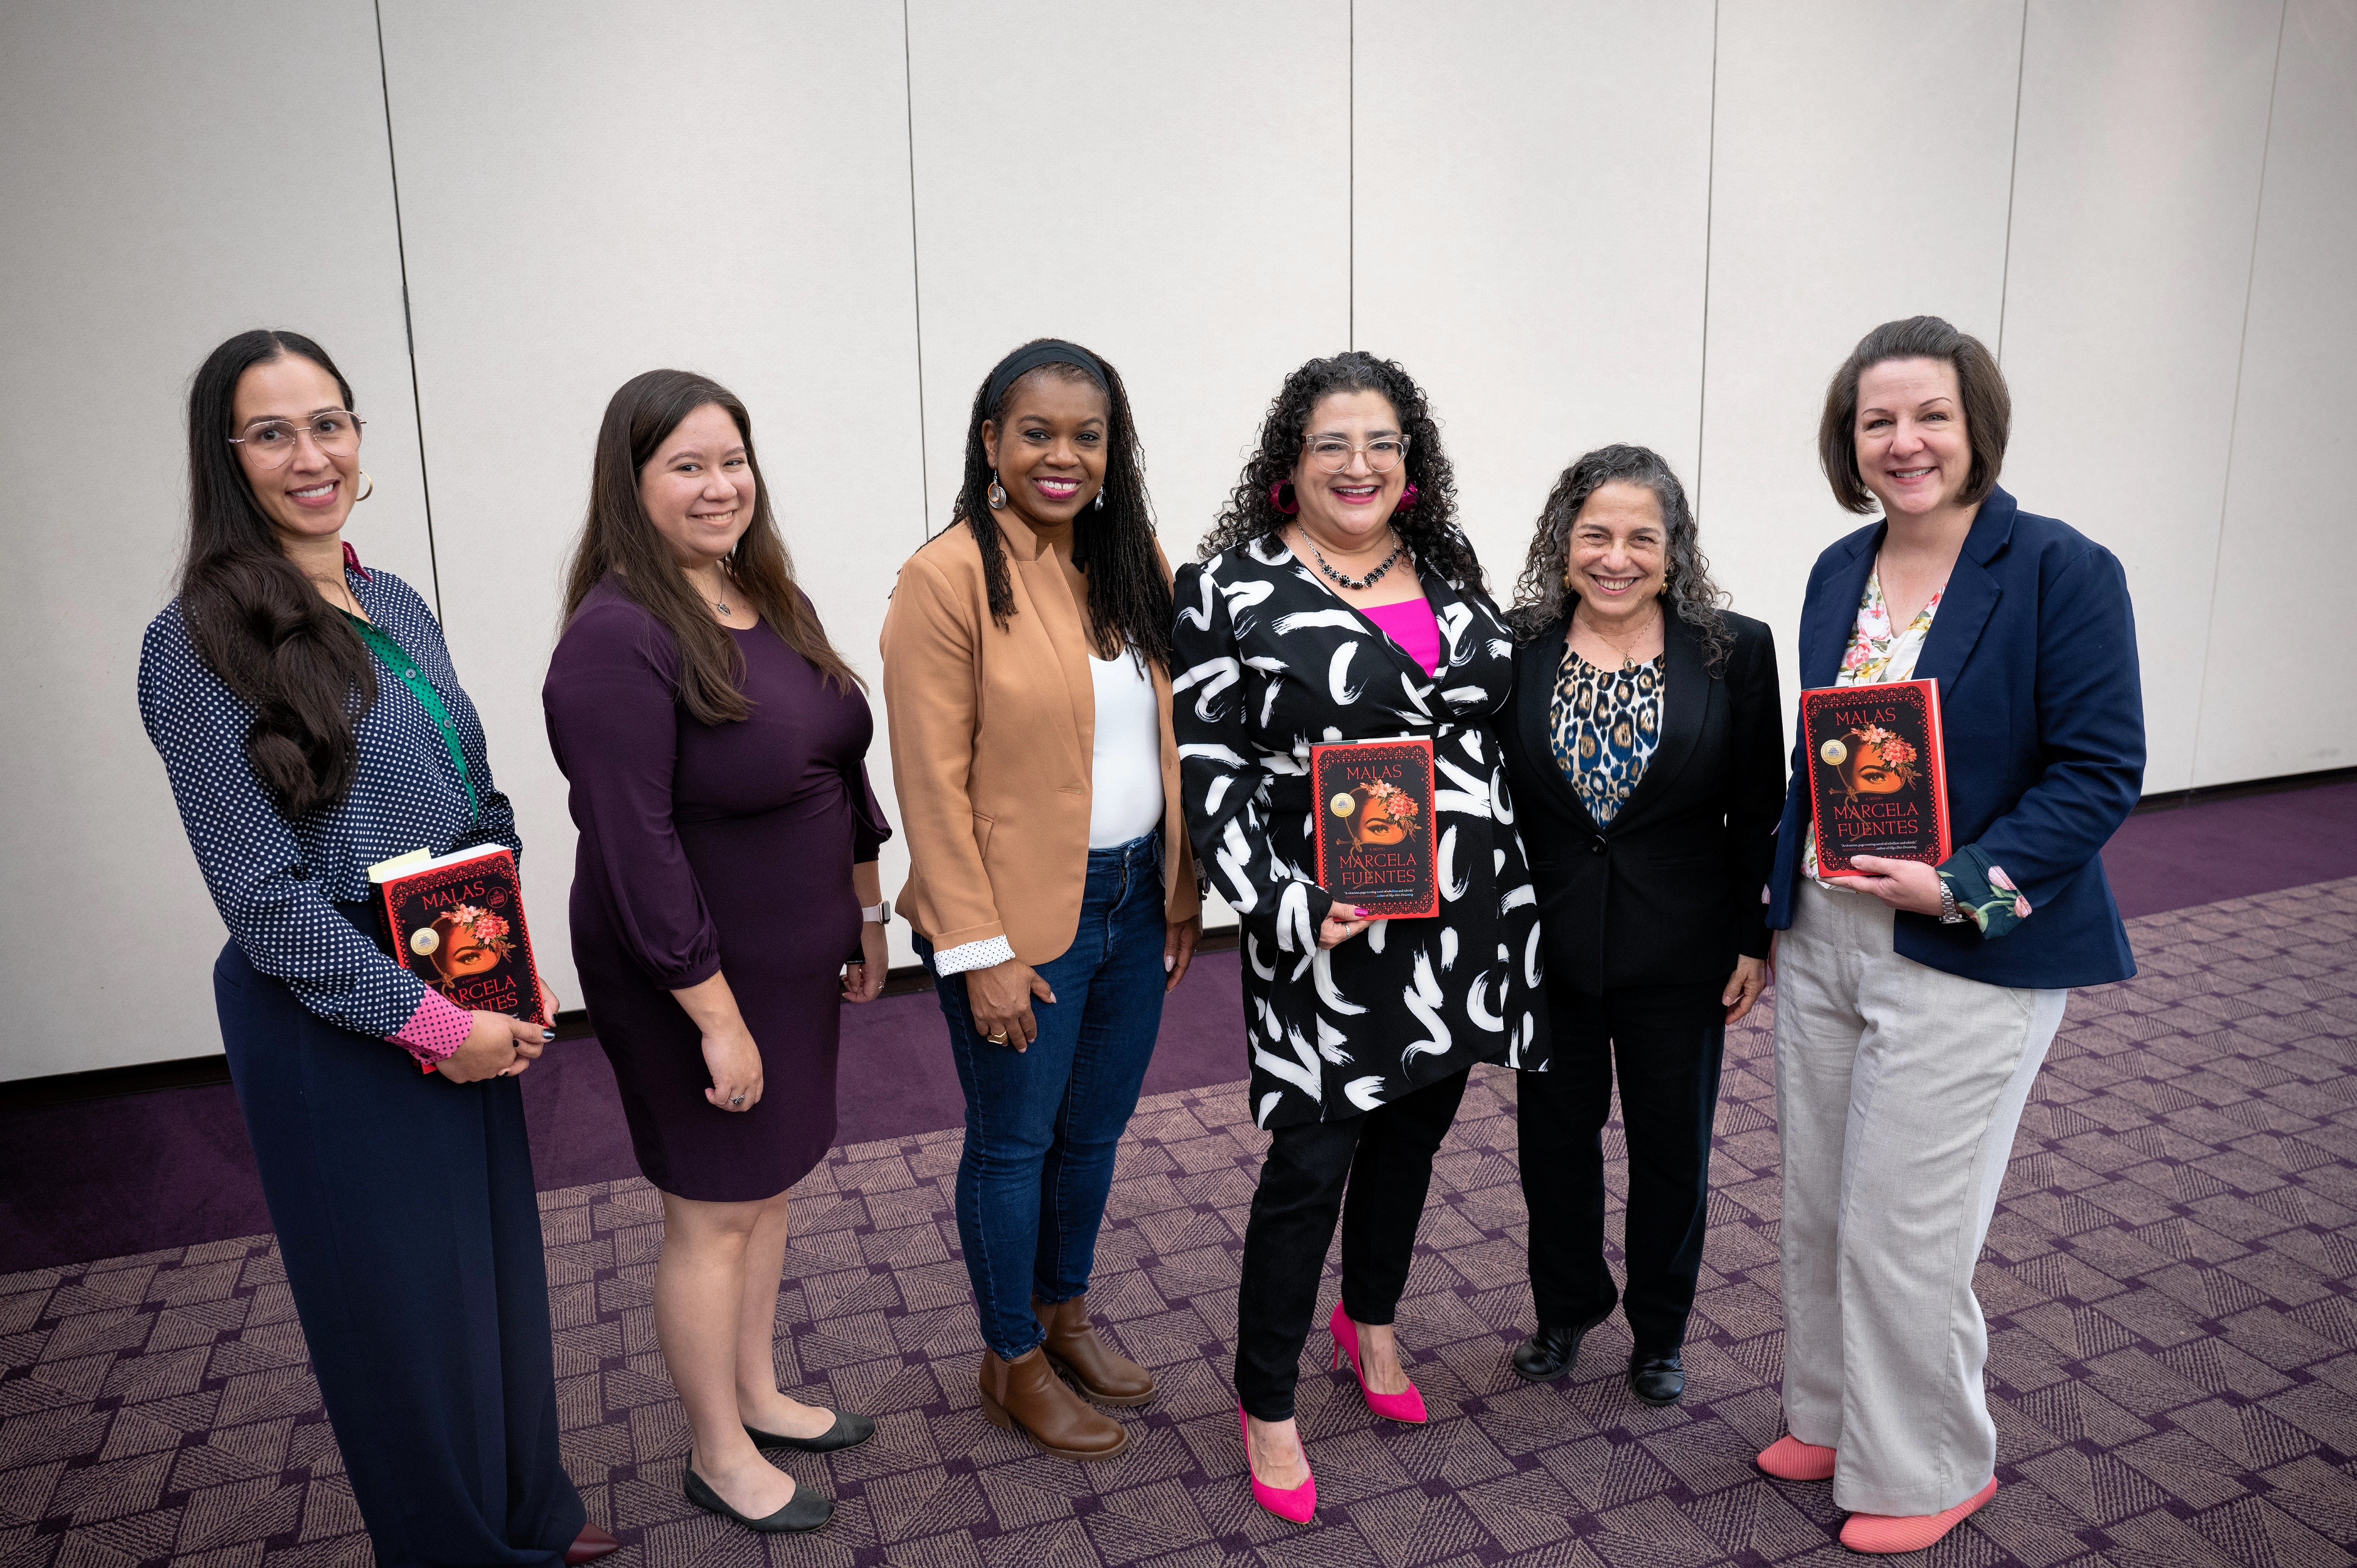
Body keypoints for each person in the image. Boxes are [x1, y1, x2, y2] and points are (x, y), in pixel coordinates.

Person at [138, 330, 613, 1568]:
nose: (314, 454)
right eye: (275, 431)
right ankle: (456, 1547)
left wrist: (500, 956)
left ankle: (526, 1507)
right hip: (334, 1005)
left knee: (492, 1274)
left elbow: (476, 786)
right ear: (226, 456)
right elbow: (265, 898)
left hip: (450, 952)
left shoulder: (390, 594)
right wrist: (438, 1023)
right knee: (400, 1313)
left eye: (331, 422)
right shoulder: (193, 644)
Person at [1758, 317, 2144, 1553]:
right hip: (1827, 927)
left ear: (1976, 420)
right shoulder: (1837, 569)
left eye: (1929, 414)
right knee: (1821, 1200)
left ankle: (1930, 1462)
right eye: (1878, 420)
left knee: (1901, 1221)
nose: (1905, 441)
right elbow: (1818, 759)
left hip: (1967, 939)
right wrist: (1772, 914)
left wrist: (1963, 882)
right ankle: (1835, 1416)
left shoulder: (2061, 569)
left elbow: (2100, 772)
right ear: (1849, 438)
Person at [1172, 351, 1546, 1524]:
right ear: (1290, 465)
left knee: (1417, 1132)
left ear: (1411, 464)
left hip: (1465, 912)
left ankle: (1370, 1319)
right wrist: (1283, 906)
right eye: (1332, 442)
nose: (1358, 463)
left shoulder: (1445, 569)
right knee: (1311, 1161)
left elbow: (1487, 729)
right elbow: (1212, 768)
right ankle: (1265, 1394)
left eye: (1382, 442)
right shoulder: (1227, 586)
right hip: (1326, 923)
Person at [543, 370, 892, 1536]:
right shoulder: (618, 636)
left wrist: (867, 909)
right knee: (710, 1205)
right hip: (690, 971)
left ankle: (755, 1393)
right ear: (632, 484)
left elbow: (838, 753)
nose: (719, 484)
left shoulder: (760, 590)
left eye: (732, 460)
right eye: (687, 465)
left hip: (793, 962)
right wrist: (715, 1012)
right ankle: (716, 1449)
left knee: (768, 1181)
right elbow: (634, 846)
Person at [880, 338, 1202, 1464]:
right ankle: (1010, 1353)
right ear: (990, 443)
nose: (1062, 455)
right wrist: (980, 949)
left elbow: (1173, 737)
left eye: (1087, 435)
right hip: (1014, 922)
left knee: (1095, 1130)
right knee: (1014, 1142)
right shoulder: (947, 577)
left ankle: (1066, 1314)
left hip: (1128, 898)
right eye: (1037, 432)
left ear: (1113, 453)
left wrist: (1181, 888)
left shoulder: (1130, 562)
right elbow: (931, 781)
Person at [1495, 444, 1783, 1408]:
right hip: (1552, 949)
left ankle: (1661, 1330)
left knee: (1673, 1151)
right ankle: (1566, 1307)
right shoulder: (1516, 643)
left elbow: (1760, 806)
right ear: (1562, 542)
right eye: (1595, 535)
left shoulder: (1734, 650)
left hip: (1685, 951)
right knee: (1555, 1147)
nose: (1616, 557)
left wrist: (1754, 936)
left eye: (1641, 538)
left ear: (1674, 548)